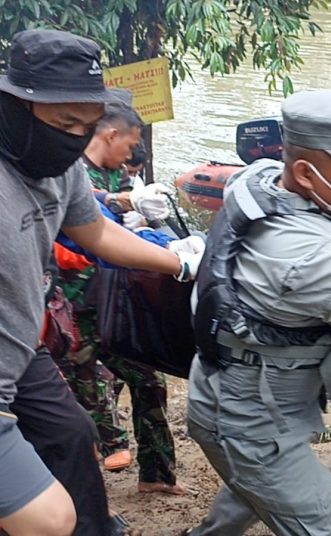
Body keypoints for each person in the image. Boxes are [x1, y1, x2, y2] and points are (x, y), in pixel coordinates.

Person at [184, 89, 331, 535]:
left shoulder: (255, 180)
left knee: (248, 494)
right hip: (255, 424)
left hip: (218, 387)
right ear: (306, 172)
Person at [0, 29, 204, 536]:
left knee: (72, 434)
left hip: (21, 347)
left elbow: (96, 233)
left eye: (85, 126)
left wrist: (178, 261)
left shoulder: (61, 167)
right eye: (63, 122)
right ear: (16, 105)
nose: (74, 137)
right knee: (45, 519)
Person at [57, 100, 186, 495]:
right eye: (129, 145)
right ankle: (92, 499)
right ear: (110, 135)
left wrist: (147, 222)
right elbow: (85, 216)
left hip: (119, 301)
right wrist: (120, 208)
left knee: (149, 382)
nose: (132, 154)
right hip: (74, 307)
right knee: (86, 404)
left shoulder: (116, 176)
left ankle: (156, 476)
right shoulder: (68, 169)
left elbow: (128, 225)